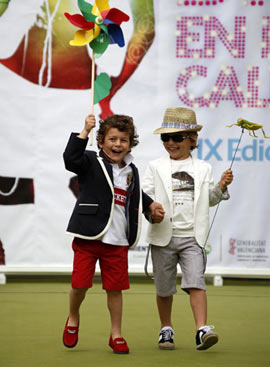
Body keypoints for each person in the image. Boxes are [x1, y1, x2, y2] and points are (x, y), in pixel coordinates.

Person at [62, 113, 163, 354]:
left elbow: (135, 194)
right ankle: (73, 317)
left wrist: (150, 205)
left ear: (130, 143)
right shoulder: (90, 160)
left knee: (115, 289)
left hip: (118, 239)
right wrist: (84, 131)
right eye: (112, 139)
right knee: (80, 284)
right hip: (88, 236)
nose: (118, 144)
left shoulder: (132, 170)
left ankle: (116, 334)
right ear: (101, 141)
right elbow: (70, 159)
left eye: (124, 140)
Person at [142, 107, 233, 351]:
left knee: (196, 283)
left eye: (177, 137)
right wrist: (152, 209)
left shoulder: (203, 168)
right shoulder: (154, 166)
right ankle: (166, 328)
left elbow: (209, 200)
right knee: (164, 287)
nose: (171, 143)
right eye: (165, 138)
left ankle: (201, 330)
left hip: (193, 236)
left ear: (192, 140)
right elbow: (146, 197)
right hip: (163, 237)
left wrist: (221, 187)